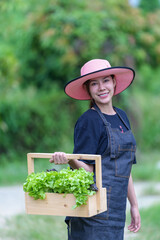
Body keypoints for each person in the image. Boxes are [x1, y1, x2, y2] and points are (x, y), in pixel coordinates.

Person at [49, 59, 141, 240]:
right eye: (94, 83)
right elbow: (88, 171)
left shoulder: (122, 116)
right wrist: (70, 160)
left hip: (115, 211)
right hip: (93, 214)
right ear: (88, 89)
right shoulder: (89, 121)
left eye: (106, 80)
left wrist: (134, 205)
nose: (101, 88)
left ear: (114, 82)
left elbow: (125, 168)